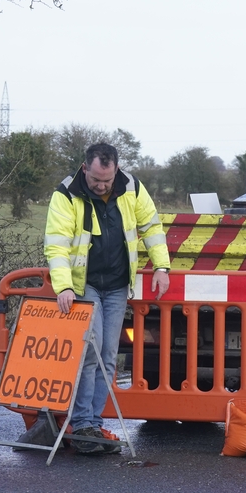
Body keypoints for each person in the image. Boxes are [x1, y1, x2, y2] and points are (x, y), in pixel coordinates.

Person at [39, 142, 170, 454]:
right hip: (84, 286)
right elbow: (56, 245)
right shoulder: (66, 193)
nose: (101, 186)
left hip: (116, 285)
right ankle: (82, 423)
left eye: (107, 181)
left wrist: (162, 266)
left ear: (116, 171)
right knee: (89, 351)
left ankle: (93, 424)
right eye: (96, 180)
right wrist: (64, 286)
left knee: (108, 356)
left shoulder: (133, 188)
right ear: (86, 168)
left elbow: (151, 227)